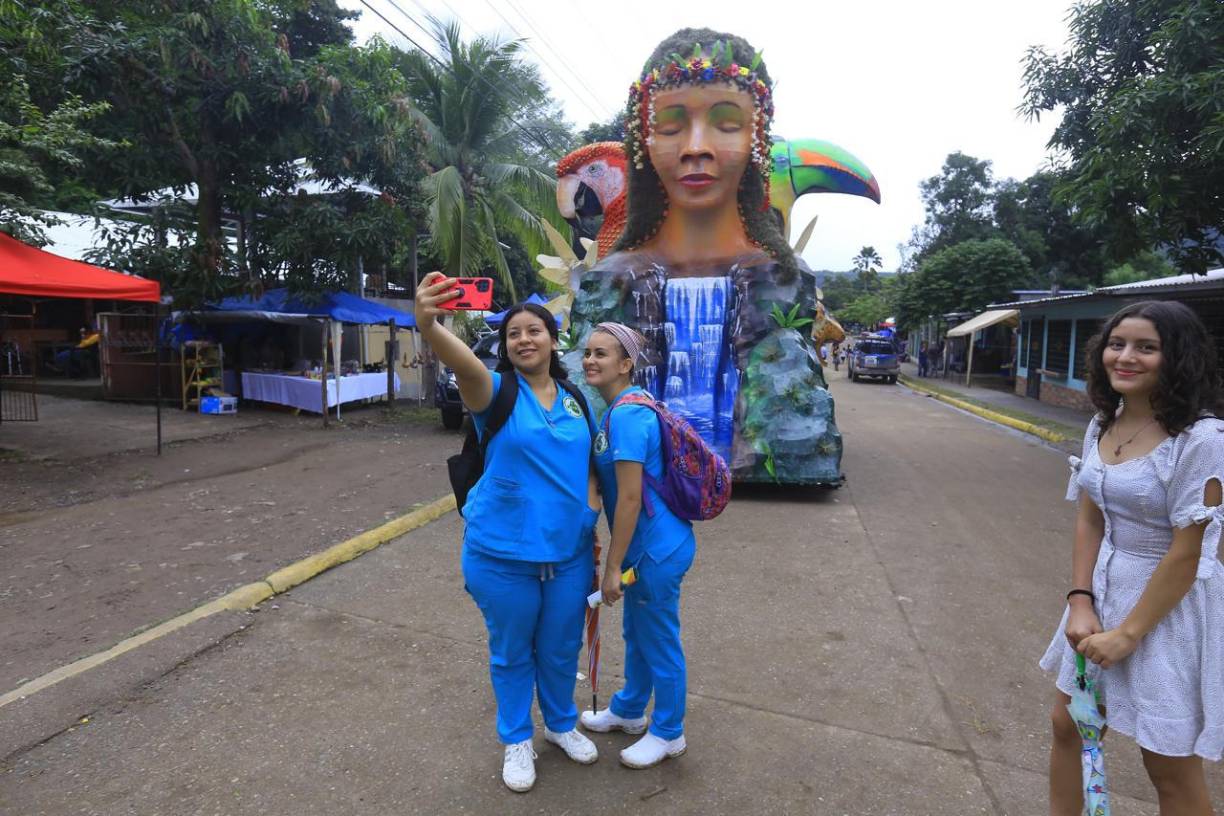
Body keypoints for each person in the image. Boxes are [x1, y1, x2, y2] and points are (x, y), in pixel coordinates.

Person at [563, 28, 842, 486]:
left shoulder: (774, 275)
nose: (696, 146)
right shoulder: (617, 274)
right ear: (643, 143)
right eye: (671, 127)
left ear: (758, 136)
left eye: (727, 124)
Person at [414, 273, 602, 793]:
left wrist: (588, 515)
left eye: (534, 330)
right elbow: (462, 362)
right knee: (513, 651)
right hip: (501, 554)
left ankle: (561, 725)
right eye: (513, 333)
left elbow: (590, 466)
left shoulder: (574, 399)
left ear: (552, 338)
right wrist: (429, 325)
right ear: (505, 345)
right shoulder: (493, 391)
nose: (523, 338)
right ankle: (517, 737)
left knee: (561, 648)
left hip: (568, 554)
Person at [1039, 300, 1223, 815]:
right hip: (1100, 593)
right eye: (1117, 344)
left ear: (1178, 357)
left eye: (1147, 347)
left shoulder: (1202, 440)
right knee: (1068, 724)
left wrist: (1127, 634)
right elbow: (1090, 517)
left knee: (1167, 764)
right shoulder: (1103, 424)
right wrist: (1080, 599)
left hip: (1169, 606)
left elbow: (1189, 553)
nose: (1126, 357)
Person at [580, 322, 696, 769]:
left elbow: (629, 498)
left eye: (602, 354)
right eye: (588, 352)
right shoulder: (629, 406)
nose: (591, 360)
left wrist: (612, 569)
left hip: (656, 551)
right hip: (650, 546)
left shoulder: (628, 415)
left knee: (659, 637)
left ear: (626, 364)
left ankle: (669, 731)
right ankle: (630, 709)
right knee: (638, 631)